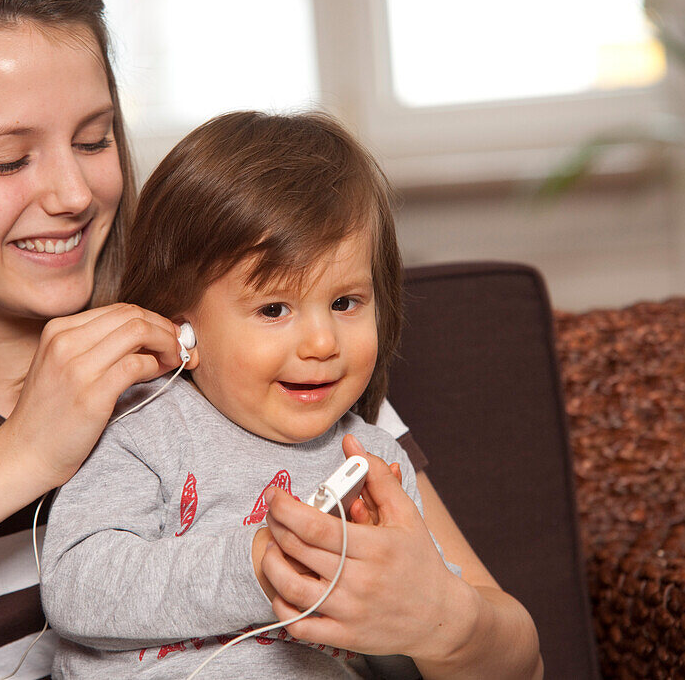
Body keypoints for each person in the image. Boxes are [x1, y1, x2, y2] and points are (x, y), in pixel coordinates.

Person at [0, 0, 541, 678]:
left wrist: (445, 622)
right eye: (9, 158)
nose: (74, 194)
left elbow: (519, 656)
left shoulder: (252, 350)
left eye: (93, 139)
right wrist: (24, 453)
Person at [40, 110, 460, 679]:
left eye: (345, 303)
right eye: (274, 309)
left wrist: (403, 605)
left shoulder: (376, 464)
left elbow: (419, 643)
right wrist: (257, 565)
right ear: (182, 328)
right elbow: (77, 588)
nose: (320, 341)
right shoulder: (142, 426)